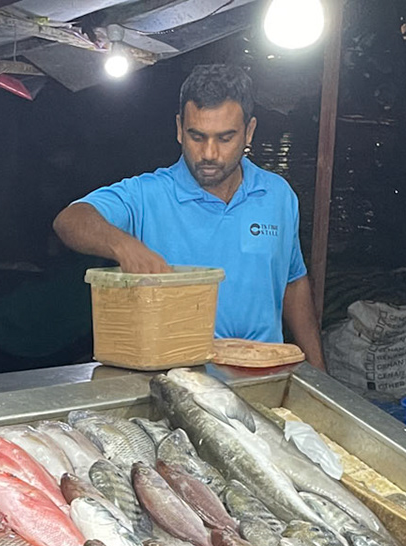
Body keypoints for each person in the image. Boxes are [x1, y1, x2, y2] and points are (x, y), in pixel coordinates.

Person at [54, 63, 323, 366]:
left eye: (225, 138)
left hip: (262, 381)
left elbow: (293, 282)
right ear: (180, 128)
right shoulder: (148, 194)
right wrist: (123, 245)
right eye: (197, 137)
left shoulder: (278, 195)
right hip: (173, 384)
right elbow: (70, 220)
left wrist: (320, 374)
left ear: (249, 132)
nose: (209, 153)